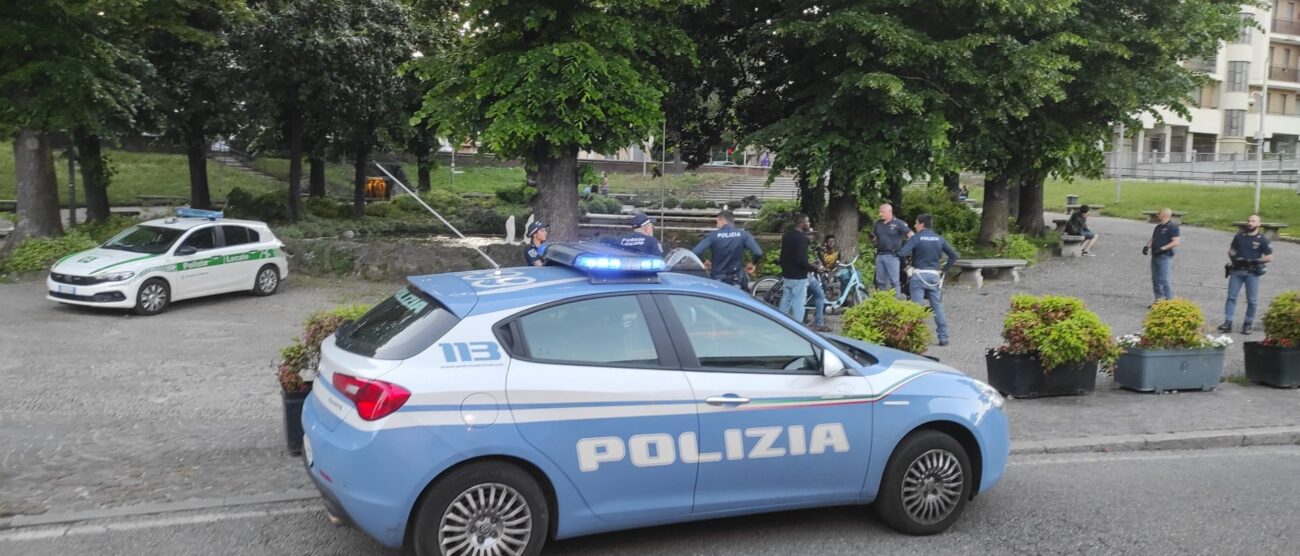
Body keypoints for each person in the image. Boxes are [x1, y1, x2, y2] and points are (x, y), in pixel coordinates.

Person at [899, 214, 959, 346]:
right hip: (934, 276)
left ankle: (916, 337)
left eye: (915, 223)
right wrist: (944, 270)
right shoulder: (939, 239)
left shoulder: (916, 238)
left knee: (916, 308)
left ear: (921, 224)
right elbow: (954, 255)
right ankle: (943, 337)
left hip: (918, 275)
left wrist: (906, 267)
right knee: (937, 307)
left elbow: (902, 253)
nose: (914, 226)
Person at [1219, 214, 1274, 335]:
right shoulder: (1239, 236)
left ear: (1259, 224)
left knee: (1252, 300)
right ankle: (1228, 322)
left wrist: (1256, 261)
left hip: (1252, 272)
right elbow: (1232, 250)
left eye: (1253, 221)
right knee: (1231, 296)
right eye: (1249, 221)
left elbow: (1269, 257)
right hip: (1237, 270)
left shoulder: (1262, 239)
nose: (1250, 223)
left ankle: (1248, 323)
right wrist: (1233, 257)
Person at [779, 214, 829, 331]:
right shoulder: (802, 238)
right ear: (802, 223)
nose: (809, 224)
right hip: (799, 277)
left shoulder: (787, 236)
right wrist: (815, 268)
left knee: (785, 302)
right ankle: (798, 330)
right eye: (808, 222)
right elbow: (801, 260)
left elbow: (783, 256)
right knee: (798, 305)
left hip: (787, 275)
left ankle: (779, 324)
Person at [692, 210, 763, 289]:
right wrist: (753, 263)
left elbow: (696, 252)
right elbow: (758, 252)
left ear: (722, 221)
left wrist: (705, 261)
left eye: (717, 222)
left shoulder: (712, 236)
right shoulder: (744, 235)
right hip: (737, 279)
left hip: (718, 279)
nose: (717, 225)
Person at [870, 203, 912, 295]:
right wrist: (873, 239)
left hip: (893, 256)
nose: (880, 214)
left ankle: (895, 303)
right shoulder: (877, 223)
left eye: (882, 212)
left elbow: (911, 235)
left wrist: (906, 250)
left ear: (890, 212)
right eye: (880, 212)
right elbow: (875, 238)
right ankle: (882, 301)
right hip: (880, 255)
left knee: (894, 281)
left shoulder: (899, 223)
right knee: (880, 281)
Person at [1143, 208, 1180, 304]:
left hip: (1164, 256)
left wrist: (1162, 249)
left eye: (1159, 214)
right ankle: (1158, 300)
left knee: (1164, 279)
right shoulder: (1158, 227)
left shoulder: (1172, 227)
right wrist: (1147, 246)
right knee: (1155, 279)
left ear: (1164, 215)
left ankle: (1169, 301)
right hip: (1155, 255)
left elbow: (1176, 242)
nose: (1157, 215)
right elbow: (1154, 238)